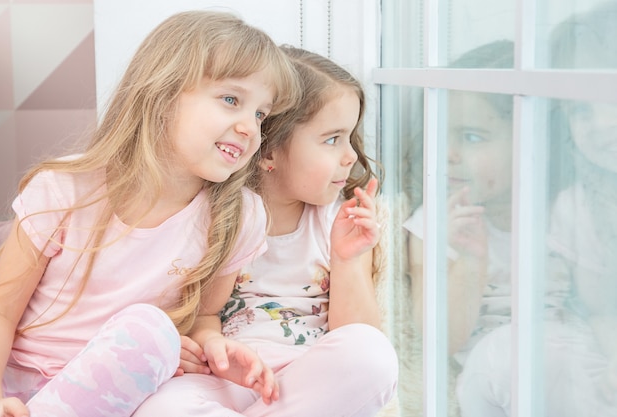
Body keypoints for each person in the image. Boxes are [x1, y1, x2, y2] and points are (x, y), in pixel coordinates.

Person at [0, 10, 300, 417]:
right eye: (231, 100)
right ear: (163, 94)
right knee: (152, 330)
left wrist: (212, 344)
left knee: (154, 333)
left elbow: (205, 313)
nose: (250, 127)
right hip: (18, 387)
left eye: (261, 114)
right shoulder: (64, 189)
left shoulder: (239, 215)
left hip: (120, 395)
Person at [133, 46, 398, 417]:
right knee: (160, 408)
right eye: (332, 139)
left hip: (310, 381)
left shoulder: (338, 221)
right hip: (229, 377)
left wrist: (347, 258)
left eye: (351, 138)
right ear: (269, 150)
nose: (351, 155)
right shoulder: (218, 214)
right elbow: (200, 315)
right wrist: (214, 347)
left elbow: (357, 334)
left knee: (373, 355)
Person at [404, 39, 572, 416]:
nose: (448, 154)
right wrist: (468, 262)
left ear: (533, 139)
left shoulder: (565, 212)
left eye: (472, 137)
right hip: (493, 378)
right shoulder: (432, 224)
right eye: (442, 133)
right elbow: (439, 340)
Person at [545, 1, 617, 414]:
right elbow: (601, 310)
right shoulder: (577, 205)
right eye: (581, 110)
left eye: (611, 98)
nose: (601, 123)